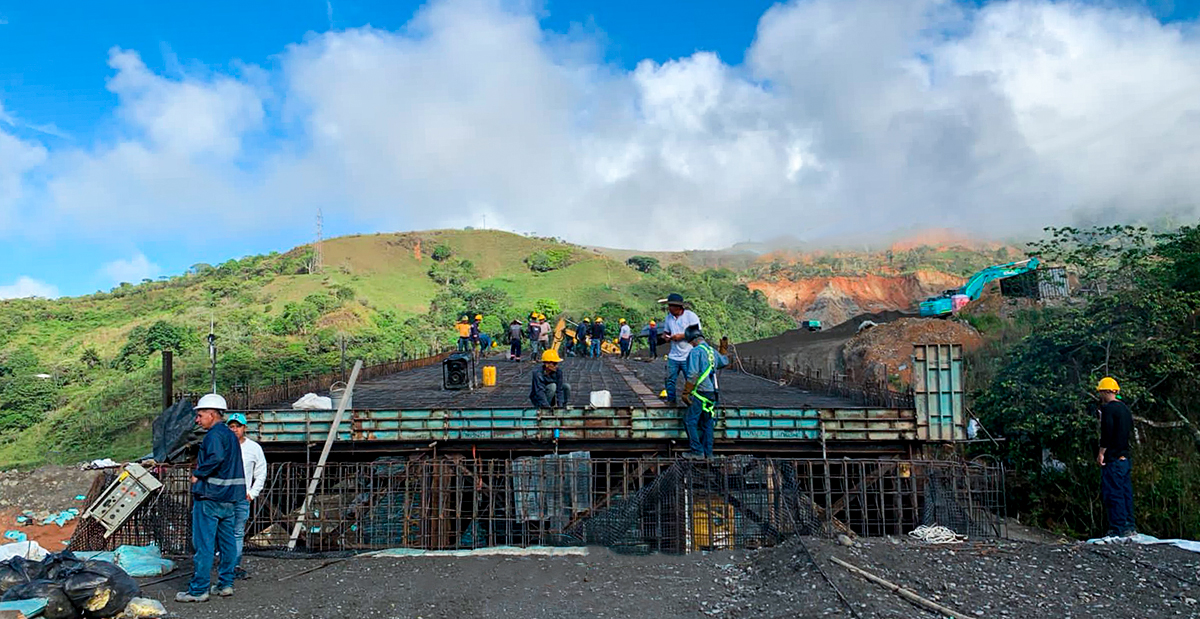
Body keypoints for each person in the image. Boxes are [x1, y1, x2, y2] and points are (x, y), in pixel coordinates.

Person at [177, 394, 245, 603]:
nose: (197, 420)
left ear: (212, 414)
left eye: (200, 415)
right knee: (227, 544)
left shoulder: (214, 436)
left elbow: (215, 458)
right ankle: (225, 584)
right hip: (229, 498)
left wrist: (199, 473)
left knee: (204, 545)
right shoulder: (230, 435)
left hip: (210, 497)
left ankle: (198, 590)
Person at [226, 413, 265, 580]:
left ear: (244, 428)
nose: (235, 429)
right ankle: (225, 563)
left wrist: (252, 493)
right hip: (224, 496)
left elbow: (261, 472)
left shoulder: (254, 448)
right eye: (232, 426)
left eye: (238, 426)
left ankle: (233, 565)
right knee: (223, 531)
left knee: (237, 532)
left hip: (241, 496)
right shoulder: (224, 446)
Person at [680, 325, 728, 458]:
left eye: (690, 342)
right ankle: (709, 454)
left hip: (701, 392)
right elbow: (724, 362)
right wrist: (723, 349)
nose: (691, 344)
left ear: (693, 340)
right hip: (712, 393)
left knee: (689, 421)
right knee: (707, 424)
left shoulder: (696, 352)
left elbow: (693, 374)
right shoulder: (711, 351)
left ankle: (697, 451)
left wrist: (686, 392)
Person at [1097, 377, 1136, 537]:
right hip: (1125, 458)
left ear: (1106, 391)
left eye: (1101, 392)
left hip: (1113, 459)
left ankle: (1117, 528)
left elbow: (1107, 433)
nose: (1100, 396)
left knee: (1114, 493)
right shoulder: (1125, 409)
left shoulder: (1108, 410)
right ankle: (1129, 526)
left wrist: (1101, 453)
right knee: (1126, 492)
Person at [659, 293, 701, 405]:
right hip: (674, 355)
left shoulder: (691, 316)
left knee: (691, 380)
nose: (669, 308)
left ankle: (692, 401)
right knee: (670, 379)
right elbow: (666, 332)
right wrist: (666, 337)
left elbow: (697, 333)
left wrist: (681, 336)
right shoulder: (669, 318)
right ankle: (671, 401)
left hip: (689, 355)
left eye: (671, 306)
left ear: (678, 307)